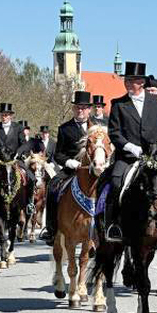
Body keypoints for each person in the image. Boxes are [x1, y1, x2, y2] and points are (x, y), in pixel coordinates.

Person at [102, 61, 157, 242]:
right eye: (126, 80)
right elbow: (114, 133)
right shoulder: (118, 104)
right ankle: (113, 225)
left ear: (141, 82)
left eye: (132, 80)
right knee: (115, 181)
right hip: (128, 157)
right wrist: (130, 147)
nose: (127, 83)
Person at [39, 91, 93, 245]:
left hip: (94, 170)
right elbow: (58, 154)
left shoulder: (97, 126)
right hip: (72, 169)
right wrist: (72, 163)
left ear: (89, 109)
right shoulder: (64, 128)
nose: (80, 110)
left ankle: (110, 227)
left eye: (84, 108)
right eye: (78, 108)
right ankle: (51, 228)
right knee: (53, 186)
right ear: (73, 109)